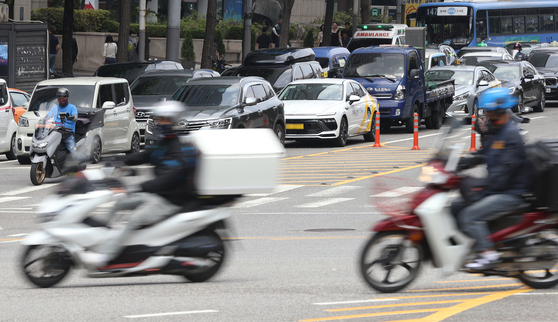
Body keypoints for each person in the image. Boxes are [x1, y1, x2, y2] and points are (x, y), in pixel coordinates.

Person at [81, 101, 199, 267]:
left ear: (173, 122)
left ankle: (105, 256)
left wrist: (139, 187)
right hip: (157, 195)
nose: (159, 123)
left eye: (164, 120)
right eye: (159, 119)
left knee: (132, 219)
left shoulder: (179, 150)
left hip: (170, 201)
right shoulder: (164, 144)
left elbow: (165, 180)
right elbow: (143, 156)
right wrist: (116, 160)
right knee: (120, 202)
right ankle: (100, 237)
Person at [451, 87, 532, 270]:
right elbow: (483, 155)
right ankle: (480, 244)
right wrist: (457, 163)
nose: (485, 115)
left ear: (498, 111)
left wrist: (478, 185)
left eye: (488, 111)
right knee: (456, 206)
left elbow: (502, 175)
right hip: (499, 188)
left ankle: (489, 255)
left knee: (469, 216)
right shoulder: (499, 133)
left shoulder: (510, 135)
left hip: (510, 194)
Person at [46, 88, 79, 159]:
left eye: (64, 98)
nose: (62, 100)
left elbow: (75, 118)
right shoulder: (55, 108)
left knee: (73, 152)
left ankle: (80, 167)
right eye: (60, 98)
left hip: (68, 133)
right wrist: (41, 120)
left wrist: (69, 117)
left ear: (67, 97)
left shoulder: (72, 107)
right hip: (56, 132)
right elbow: (47, 117)